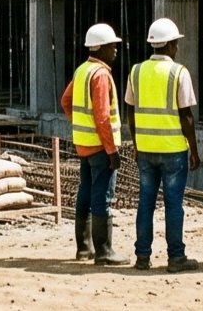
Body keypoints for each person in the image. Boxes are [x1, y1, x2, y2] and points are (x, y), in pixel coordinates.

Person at [125, 17, 201, 273]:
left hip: (145, 149)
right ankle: (176, 257)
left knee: (145, 203)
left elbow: (130, 113)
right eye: (175, 44)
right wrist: (194, 150)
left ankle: (142, 257)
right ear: (168, 46)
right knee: (173, 204)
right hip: (172, 150)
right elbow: (186, 116)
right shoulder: (179, 72)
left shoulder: (136, 71)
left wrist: (135, 144)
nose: (177, 48)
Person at [61, 23, 129, 266]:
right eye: (112, 46)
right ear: (101, 48)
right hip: (100, 148)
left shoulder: (82, 71)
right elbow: (102, 116)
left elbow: (65, 101)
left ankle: (84, 248)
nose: (116, 51)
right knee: (103, 196)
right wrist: (112, 150)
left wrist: (79, 123)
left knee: (86, 193)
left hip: (83, 145)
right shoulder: (100, 75)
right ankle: (104, 251)